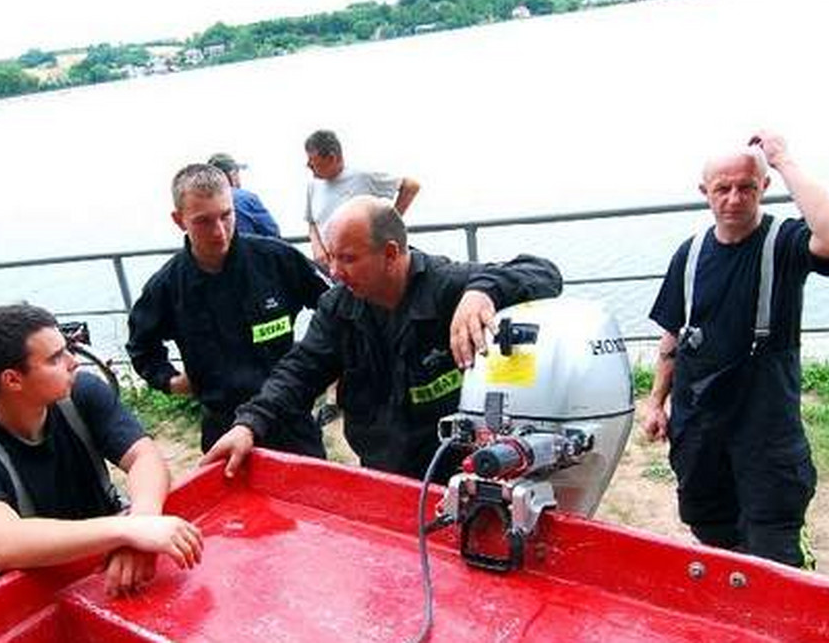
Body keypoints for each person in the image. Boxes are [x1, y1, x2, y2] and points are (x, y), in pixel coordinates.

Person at [202, 196, 563, 481]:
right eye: (331, 258)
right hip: (381, 472)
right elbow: (297, 372)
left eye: (348, 259)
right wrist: (248, 425)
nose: (334, 272)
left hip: (457, 469)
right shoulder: (338, 308)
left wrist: (484, 291)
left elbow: (543, 271)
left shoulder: (446, 285)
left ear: (390, 253)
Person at [642, 131, 829, 569]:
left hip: (765, 425)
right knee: (709, 527)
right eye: (723, 188)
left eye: (747, 186)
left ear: (764, 187)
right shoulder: (691, 253)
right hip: (700, 425)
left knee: (774, 543)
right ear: (705, 193)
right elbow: (672, 335)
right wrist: (655, 403)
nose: (735, 198)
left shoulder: (786, 242)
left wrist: (782, 159)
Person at [0, 304, 203, 597]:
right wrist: (128, 531)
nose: (73, 361)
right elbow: (0, 545)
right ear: (12, 379)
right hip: (43, 595)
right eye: (54, 359)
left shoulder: (82, 393)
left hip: (110, 571)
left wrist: (142, 525)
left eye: (67, 349)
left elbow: (144, 456)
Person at [127, 163, 328, 457]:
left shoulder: (276, 260)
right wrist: (171, 381)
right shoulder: (167, 287)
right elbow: (141, 345)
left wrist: (328, 363)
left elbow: (335, 309)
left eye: (226, 215)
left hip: (290, 418)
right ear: (179, 220)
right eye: (203, 221)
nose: (219, 231)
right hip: (222, 425)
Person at [304, 129, 421, 267]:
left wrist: (389, 226)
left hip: (361, 263)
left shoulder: (362, 176)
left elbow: (411, 186)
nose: (308, 165)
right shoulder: (313, 185)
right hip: (330, 265)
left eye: (312, 161)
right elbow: (312, 222)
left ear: (332, 158)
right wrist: (318, 249)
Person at [207, 152, 281, 237]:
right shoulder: (247, 198)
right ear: (233, 174)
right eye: (237, 173)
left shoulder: (203, 201)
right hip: (248, 249)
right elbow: (273, 232)